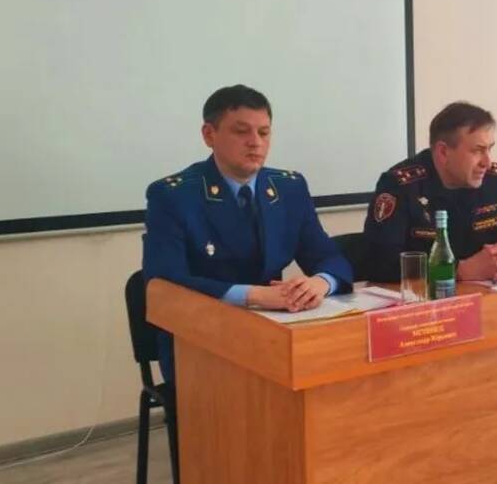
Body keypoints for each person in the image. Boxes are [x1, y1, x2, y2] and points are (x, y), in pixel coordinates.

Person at [142, 84, 353, 384]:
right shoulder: (173, 195)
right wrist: (254, 295)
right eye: (241, 132)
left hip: (274, 332)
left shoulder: (289, 187)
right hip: (201, 339)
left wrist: (320, 283)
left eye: (264, 133)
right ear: (209, 135)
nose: (255, 143)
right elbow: (165, 282)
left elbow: (328, 256)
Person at [362, 101, 497, 283]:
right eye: (477, 151)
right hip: (426, 297)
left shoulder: (491, 180)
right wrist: (457, 271)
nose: (487, 162)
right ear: (443, 152)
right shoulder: (401, 186)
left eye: (489, 149)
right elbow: (379, 262)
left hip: (488, 293)